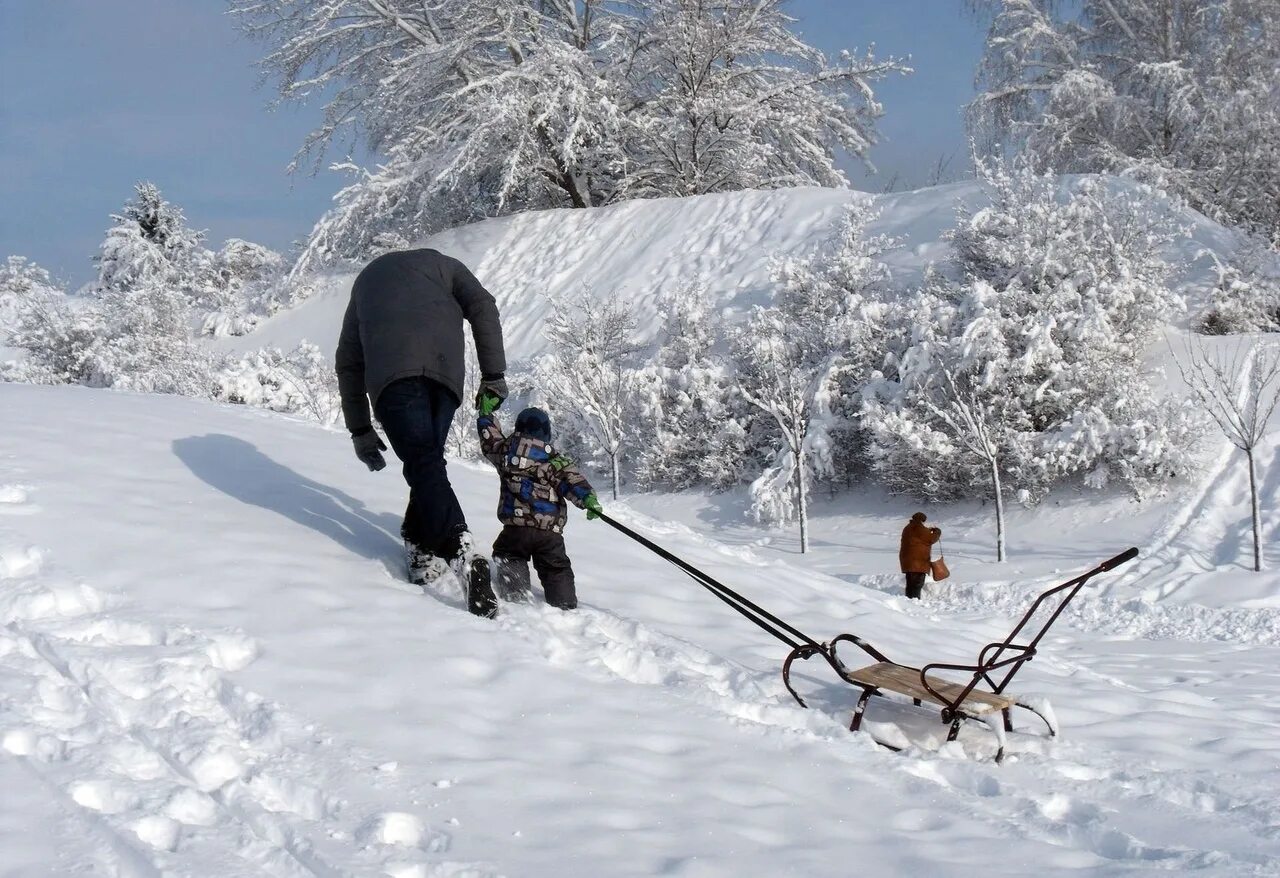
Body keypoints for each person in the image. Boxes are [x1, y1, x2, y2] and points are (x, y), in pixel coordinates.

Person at [335, 248, 508, 589]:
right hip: (444, 376)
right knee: (426, 462)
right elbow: (483, 306)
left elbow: (349, 361)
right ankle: (419, 549)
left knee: (424, 462)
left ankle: (459, 548)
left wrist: (360, 429)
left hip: (391, 381)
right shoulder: (449, 267)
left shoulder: (367, 280)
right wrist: (493, 374)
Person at [475, 391, 602, 610]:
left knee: (509, 553)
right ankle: (564, 602)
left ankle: (515, 592)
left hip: (516, 528)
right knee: (556, 566)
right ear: (547, 434)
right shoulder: (555, 461)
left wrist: (486, 415)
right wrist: (587, 499)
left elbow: (490, 441)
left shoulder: (506, 453)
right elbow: (572, 481)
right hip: (549, 532)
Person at [899, 511, 941, 600]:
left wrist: (927, 530)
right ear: (922, 520)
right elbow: (931, 539)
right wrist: (937, 532)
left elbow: (918, 538)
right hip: (918, 561)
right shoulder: (921, 529)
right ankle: (915, 602)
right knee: (917, 584)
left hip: (907, 560)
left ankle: (908, 601)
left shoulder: (907, 528)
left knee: (910, 584)